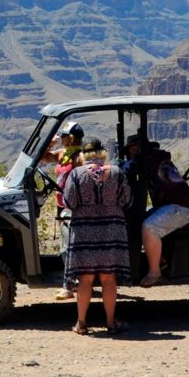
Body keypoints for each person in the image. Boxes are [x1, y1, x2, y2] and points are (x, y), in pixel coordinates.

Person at [60, 139, 128, 335]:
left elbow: (69, 202)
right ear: (103, 154)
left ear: (84, 155)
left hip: (84, 231)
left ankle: (81, 323)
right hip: (111, 230)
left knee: (85, 279)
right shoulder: (116, 173)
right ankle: (110, 322)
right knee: (108, 279)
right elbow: (127, 199)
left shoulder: (76, 174)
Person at [124, 135, 189, 287]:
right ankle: (161, 260)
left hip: (183, 207)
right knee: (138, 222)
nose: (130, 153)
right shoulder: (155, 158)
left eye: (131, 149)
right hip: (171, 205)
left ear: (137, 148)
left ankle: (154, 272)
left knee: (149, 227)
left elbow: (128, 168)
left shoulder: (150, 159)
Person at [41, 122, 85, 301]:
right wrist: (50, 143)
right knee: (67, 245)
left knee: (67, 247)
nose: (63, 138)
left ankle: (69, 285)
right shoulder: (62, 153)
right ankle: (75, 282)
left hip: (74, 206)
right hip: (62, 204)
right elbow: (43, 157)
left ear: (72, 137)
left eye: (65, 135)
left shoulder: (79, 156)